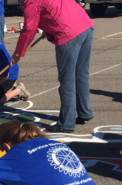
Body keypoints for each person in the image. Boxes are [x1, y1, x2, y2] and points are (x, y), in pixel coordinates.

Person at [10, 0, 94, 133]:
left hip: (69, 33)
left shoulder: (30, 1)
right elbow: (56, 10)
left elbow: (29, 29)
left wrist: (18, 52)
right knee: (81, 74)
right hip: (85, 26)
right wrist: (48, 29)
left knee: (67, 80)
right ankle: (85, 112)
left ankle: (66, 123)